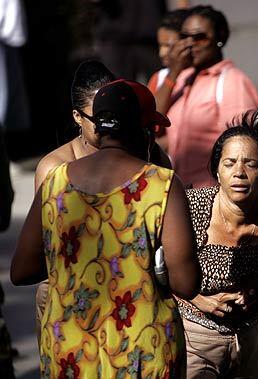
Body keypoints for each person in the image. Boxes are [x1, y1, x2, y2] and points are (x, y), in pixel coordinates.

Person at [11, 79, 200, 378]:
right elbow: (187, 284)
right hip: (142, 348)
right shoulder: (161, 184)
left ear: (98, 126)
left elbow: (21, 271)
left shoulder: (55, 181)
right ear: (143, 131)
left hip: (70, 350)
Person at [33, 60, 173, 343]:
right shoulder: (54, 169)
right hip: (69, 297)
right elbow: (41, 252)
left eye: (113, 113)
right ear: (76, 116)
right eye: (98, 117)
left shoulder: (149, 154)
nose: (108, 123)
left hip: (138, 293)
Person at [177, 109, 258, 378]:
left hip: (248, 339)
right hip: (192, 341)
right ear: (216, 169)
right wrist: (196, 299)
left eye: (251, 164)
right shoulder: (190, 208)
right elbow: (155, 267)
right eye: (229, 163)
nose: (239, 173)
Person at [156, 5, 258, 188]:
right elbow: (153, 119)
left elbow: (242, 148)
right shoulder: (182, 79)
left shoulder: (232, 81)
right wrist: (173, 72)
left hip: (213, 193)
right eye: (184, 37)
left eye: (199, 38)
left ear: (219, 39)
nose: (190, 44)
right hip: (179, 191)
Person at [147, 8, 190, 94]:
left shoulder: (207, 76)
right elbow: (155, 107)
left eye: (169, 46)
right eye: (160, 45)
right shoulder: (159, 78)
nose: (161, 53)